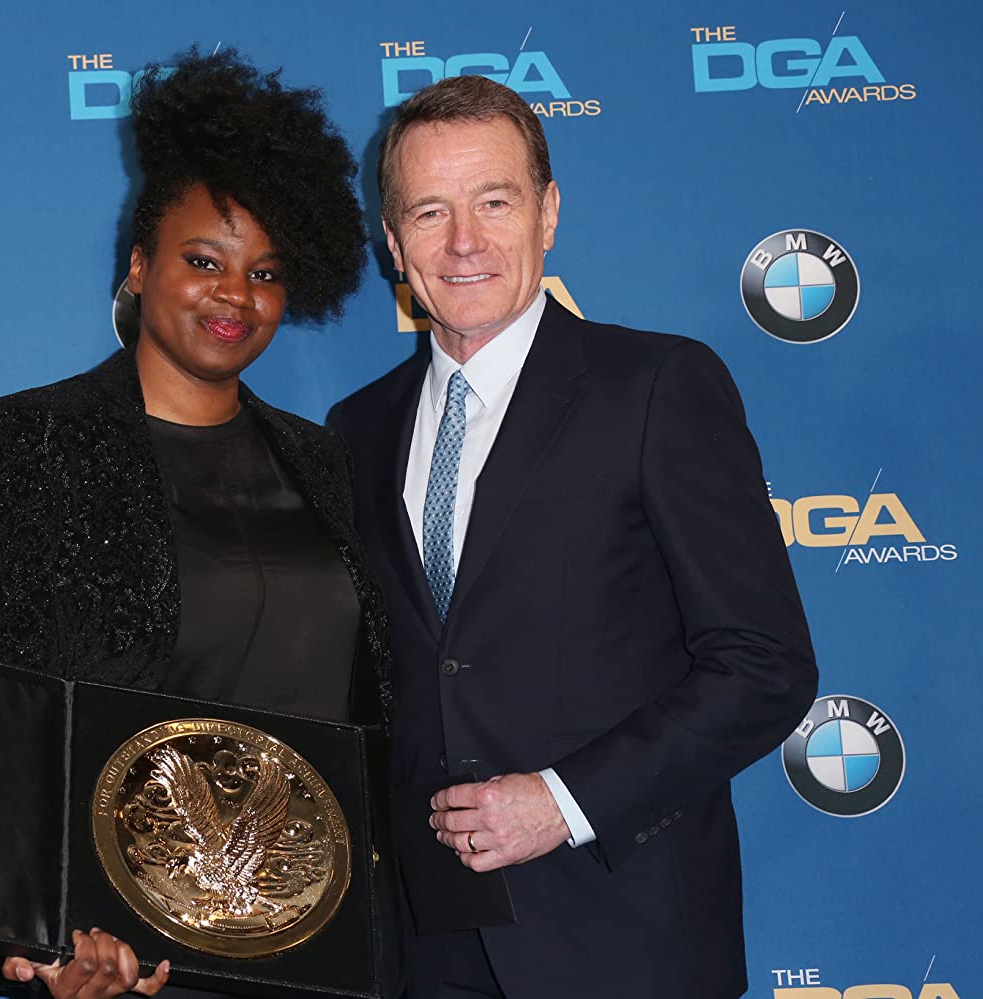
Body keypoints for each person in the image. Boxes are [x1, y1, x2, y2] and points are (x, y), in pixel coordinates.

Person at [327, 75, 818, 999]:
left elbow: (766, 665)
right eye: (430, 212)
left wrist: (562, 801)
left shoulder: (658, 387)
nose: (464, 242)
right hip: (427, 950)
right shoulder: (358, 428)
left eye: (494, 202)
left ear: (548, 213)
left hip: (623, 937)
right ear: (392, 240)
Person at [0, 49, 389, 999]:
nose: (235, 295)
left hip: (322, 941)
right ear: (140, 265)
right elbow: (0, 702)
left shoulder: (321, 460)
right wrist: (40, 927)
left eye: (265, 272)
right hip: (127, 949)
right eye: (203, 260)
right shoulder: (35, 438)